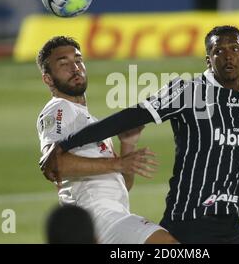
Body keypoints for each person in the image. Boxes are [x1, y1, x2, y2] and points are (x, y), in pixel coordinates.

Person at [40, 27, 239, 244]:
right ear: (208, 59)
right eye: (219, 51)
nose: (228, 56)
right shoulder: (189, 92)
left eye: (234, 49)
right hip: (190, 218)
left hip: (229, 218)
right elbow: (133, 114)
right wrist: (66, 145)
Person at [36, 36, 178, 244]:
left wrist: (128, 144)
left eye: (78, 60)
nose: (75, 67)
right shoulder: (58, 108)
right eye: (63, 63)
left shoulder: (91, 123)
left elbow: (122, 185)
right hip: (97, 218)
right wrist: (118, 162)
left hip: (111, 218)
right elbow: (53, 164)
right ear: (48, 79)